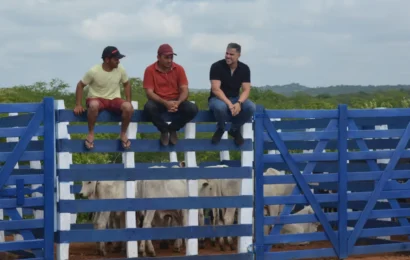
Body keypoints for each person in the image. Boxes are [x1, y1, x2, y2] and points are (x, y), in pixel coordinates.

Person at [73, 46, 134, 150]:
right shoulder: (94, 71)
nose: (118, 62)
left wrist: (128, 100)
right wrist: (78, 104)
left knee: (128, 107)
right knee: (93, 105)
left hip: (114, 99)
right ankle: (91, 134)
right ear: (107, 60)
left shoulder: (120, 69)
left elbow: (127, 84)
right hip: (96, 98)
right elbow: (80, 85)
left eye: (119, 59)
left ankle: (123, 134)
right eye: (116, 59)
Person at [143, 44, 198, 146]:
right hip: (159, 101)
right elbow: (149, 93)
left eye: (171, 57)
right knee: (148, 107)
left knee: (192, 109)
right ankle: (164, 130)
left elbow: (184, 89)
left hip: (176, 100)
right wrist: (165, 103)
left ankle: (173, 129)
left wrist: (178, 102)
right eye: (166, 57)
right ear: (158, 57)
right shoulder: (150, 70)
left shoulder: (179, 69)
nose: (169, 60)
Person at [208, 43, 256, 146]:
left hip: (235, 98)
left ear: (238, 55)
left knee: (251, 107)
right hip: (218, 99)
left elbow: (246, 90)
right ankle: (221, 128)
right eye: (227, 53)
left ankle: (234, 129)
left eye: (231, 54)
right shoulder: (216, 66)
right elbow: (216, 89)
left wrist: (239, 102)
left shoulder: (244, 68)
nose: (228, 56)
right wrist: (229, 104)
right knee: (220, 107)